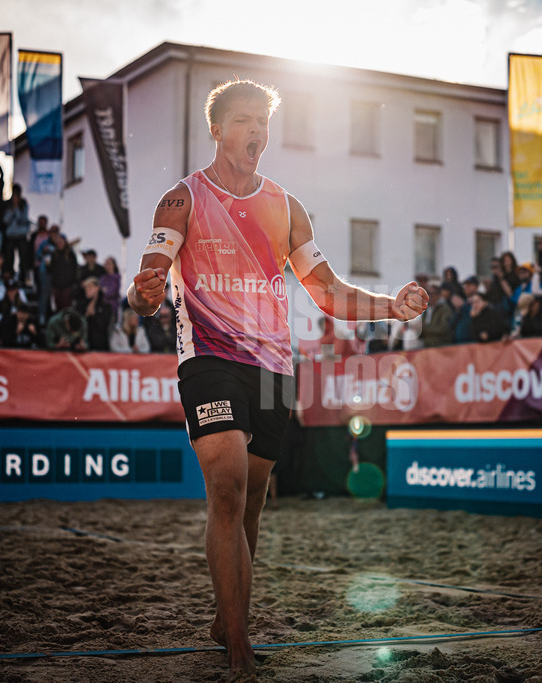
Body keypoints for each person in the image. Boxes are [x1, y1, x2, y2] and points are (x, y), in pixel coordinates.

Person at [125, 79, 427, 676]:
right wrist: (143, 293)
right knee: (229, 487)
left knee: (254, 504)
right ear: (216, 129)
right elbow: (147, 286)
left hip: (271, 367)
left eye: (263, 121)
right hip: (208, 359)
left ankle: (224, 616)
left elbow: (330, 293)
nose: (257, 131)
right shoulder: (181, 199)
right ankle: (238, 645)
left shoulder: (287, 206)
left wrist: (391, 305)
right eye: (243, 120)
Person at [75, 276, 113, 351]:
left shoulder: (106, 306)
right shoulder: (81, 305)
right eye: (86, 288)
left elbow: (106, 325)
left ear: (97, 288)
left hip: (101, 346)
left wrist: (94, 316)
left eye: (90, 287)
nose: (87, 290)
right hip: (84, 345)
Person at [420, 283, 453, 347]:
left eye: (432, 293)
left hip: (440, 343)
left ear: (438, 295)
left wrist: (424, 328)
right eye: (428, 293)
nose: (430, 296)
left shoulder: (444, 309)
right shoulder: (427, 309)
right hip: (427, 342)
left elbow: (443, 328)